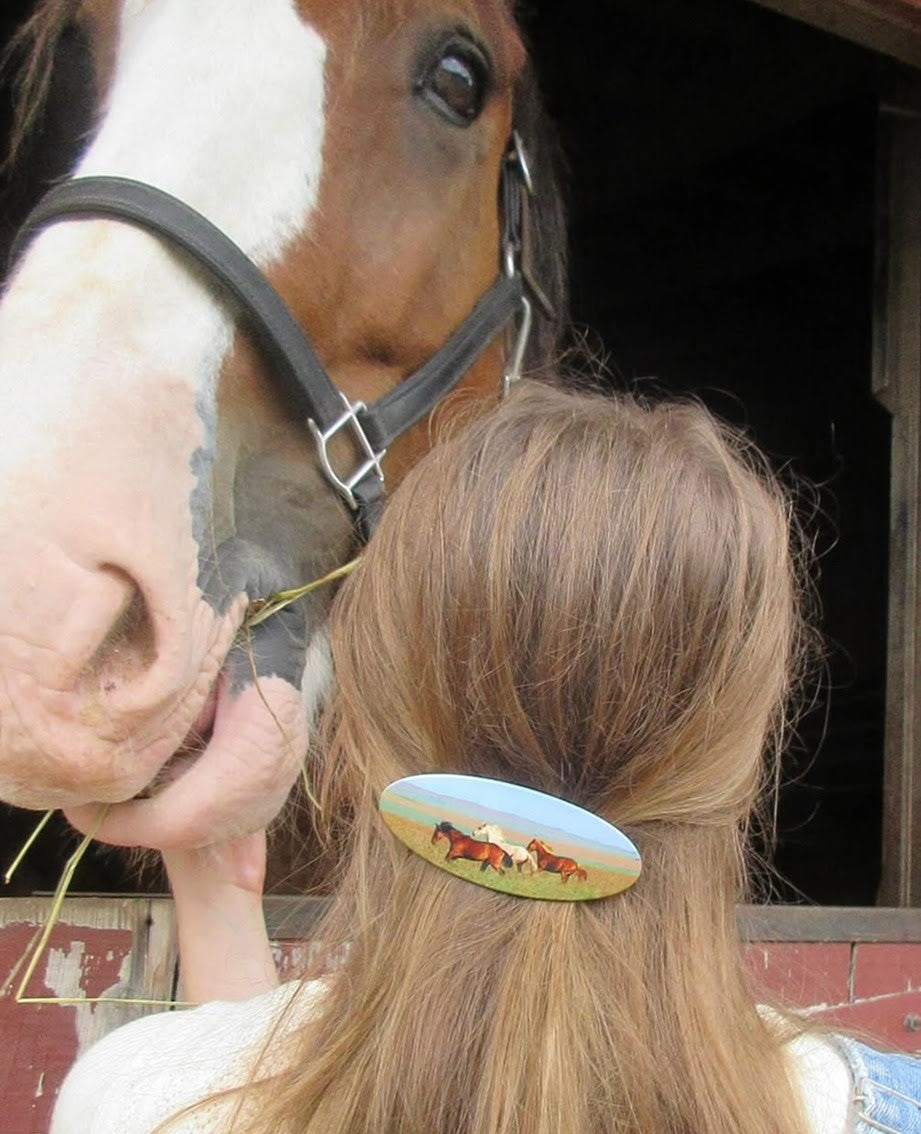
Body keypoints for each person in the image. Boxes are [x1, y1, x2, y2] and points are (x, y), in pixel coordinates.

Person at [52, 380, 921, 1133]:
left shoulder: (132, 1099)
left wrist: (218, 897)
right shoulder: (883, 1107)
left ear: (352, 729)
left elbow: (235, 1082)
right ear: (741, 759)